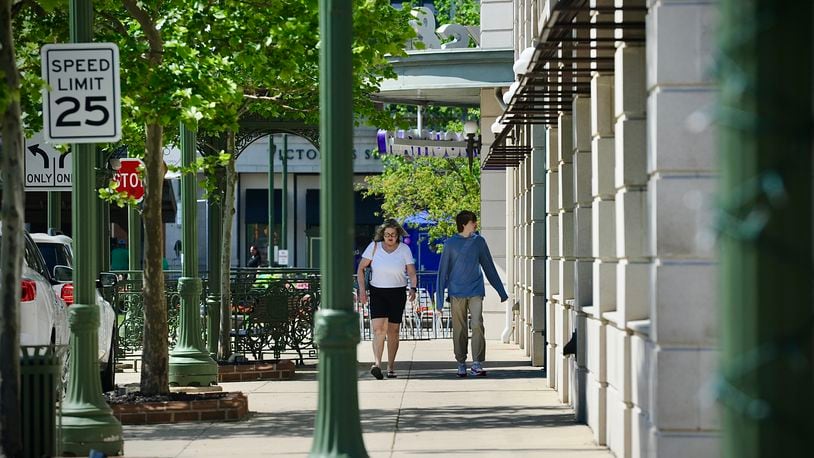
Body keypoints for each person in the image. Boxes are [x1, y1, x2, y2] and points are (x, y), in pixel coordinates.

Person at [436, 210, 508, 377]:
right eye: (473, 222)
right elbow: (442, 272)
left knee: (477, 324)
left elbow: (489, 267)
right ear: (464, 224)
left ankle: (477, 363)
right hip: (456, 292)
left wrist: (501, 291)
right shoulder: (450, 244)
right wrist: (439, 301)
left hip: (475, 290)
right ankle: (461, 362)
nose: (475, 224)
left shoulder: (479, 242)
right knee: (459, 329)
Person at [357, 219, 417, 379]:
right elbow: (361, 268)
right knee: (378, 329)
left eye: (393, 235)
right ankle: (377, 364)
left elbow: (411, 272)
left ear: (397, 235)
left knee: (393, 331)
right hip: (378, 291)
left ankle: (391, 367)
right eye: (387, 235)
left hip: (397, 292)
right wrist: (362, 290)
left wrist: (413, 288)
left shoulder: (404, 249)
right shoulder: (374, 247)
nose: (390, 237)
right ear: (382, 235)